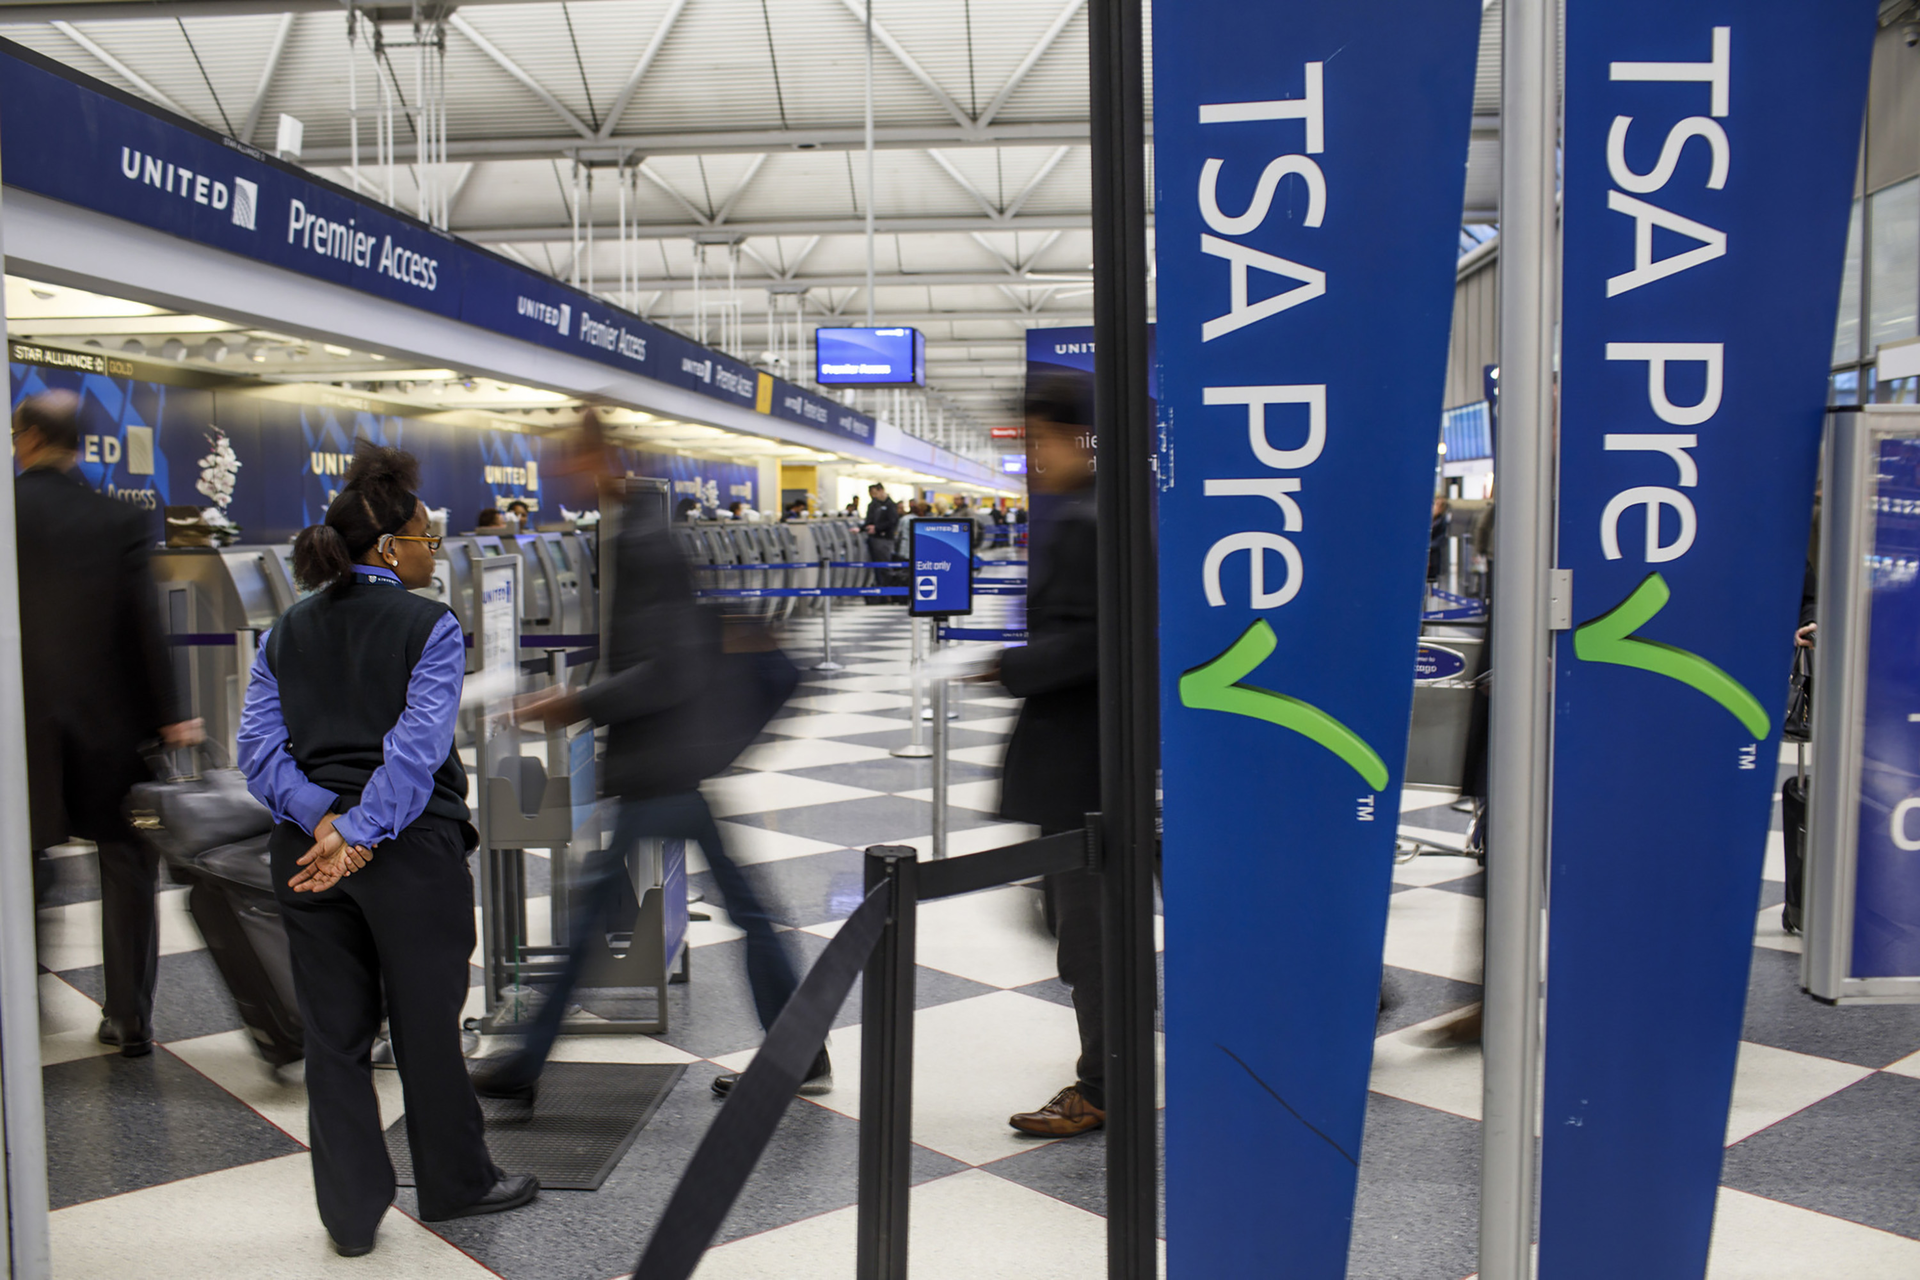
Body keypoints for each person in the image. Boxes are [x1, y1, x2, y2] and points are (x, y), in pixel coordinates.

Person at [237, 443, 536, 1256]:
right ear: (388, 548)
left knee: (333, 1040)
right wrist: (359, 832)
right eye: (424, 538)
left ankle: (349, 1213)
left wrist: (322, 820)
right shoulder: (428, 623)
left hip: (303, 855)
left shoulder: (283, 630)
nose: (430, 551)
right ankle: (455, 1183)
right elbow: (415, 748)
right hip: (408, 851)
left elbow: (258, 752)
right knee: (425, 1025)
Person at [473, 412, 823, 1102]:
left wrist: (575, 703)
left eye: (567, 459)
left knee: (594, 924)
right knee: (735, 909)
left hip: (661, 761)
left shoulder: (640, 540)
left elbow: (668, 668)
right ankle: (800, 1049)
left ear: (596, 458)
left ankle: (525, 1062)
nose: (559, 472)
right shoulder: (635, 531)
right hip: (672, 761)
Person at [16, 391, 202, 1057]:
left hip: (23, 733)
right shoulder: (117, 519)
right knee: (126, 863)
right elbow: (143, 625)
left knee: (24, 862)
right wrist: (172, 715)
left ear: (28, 438)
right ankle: (128, 1016)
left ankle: (20, 1001)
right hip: (111, 727)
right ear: (74, 445)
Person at [994, 375, 1105, 1138]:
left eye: (1036, 441)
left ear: (1073, 437)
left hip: (1084, 768)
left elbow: (1097, 643)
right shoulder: (1099, 513)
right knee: (1084, 930)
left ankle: (1103, 1083)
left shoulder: (1089, 522)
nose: (1029, 458)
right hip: (1094, 762)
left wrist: (1012, 667)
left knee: (1089, 938)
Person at [861, 482, 900, 567]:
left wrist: (877, 528)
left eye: (875, 493)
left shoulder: (890, 505)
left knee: (884, 565)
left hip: (885, 538)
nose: (874, 496)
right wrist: (861, 529)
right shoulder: (873, 505)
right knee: (876, 566)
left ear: (881, 490)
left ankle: (887, 580)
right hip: (874, 538)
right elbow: (869, 520)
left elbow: (892, 521)